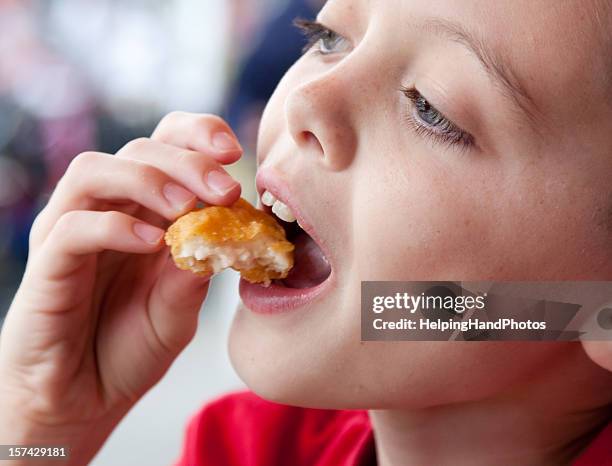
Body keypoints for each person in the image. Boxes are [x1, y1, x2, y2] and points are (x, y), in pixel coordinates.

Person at [1, 0, 612, 464]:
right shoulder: (246, 447)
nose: (304, 100)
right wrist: (40, 426)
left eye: (432, 108)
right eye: (328, 38)